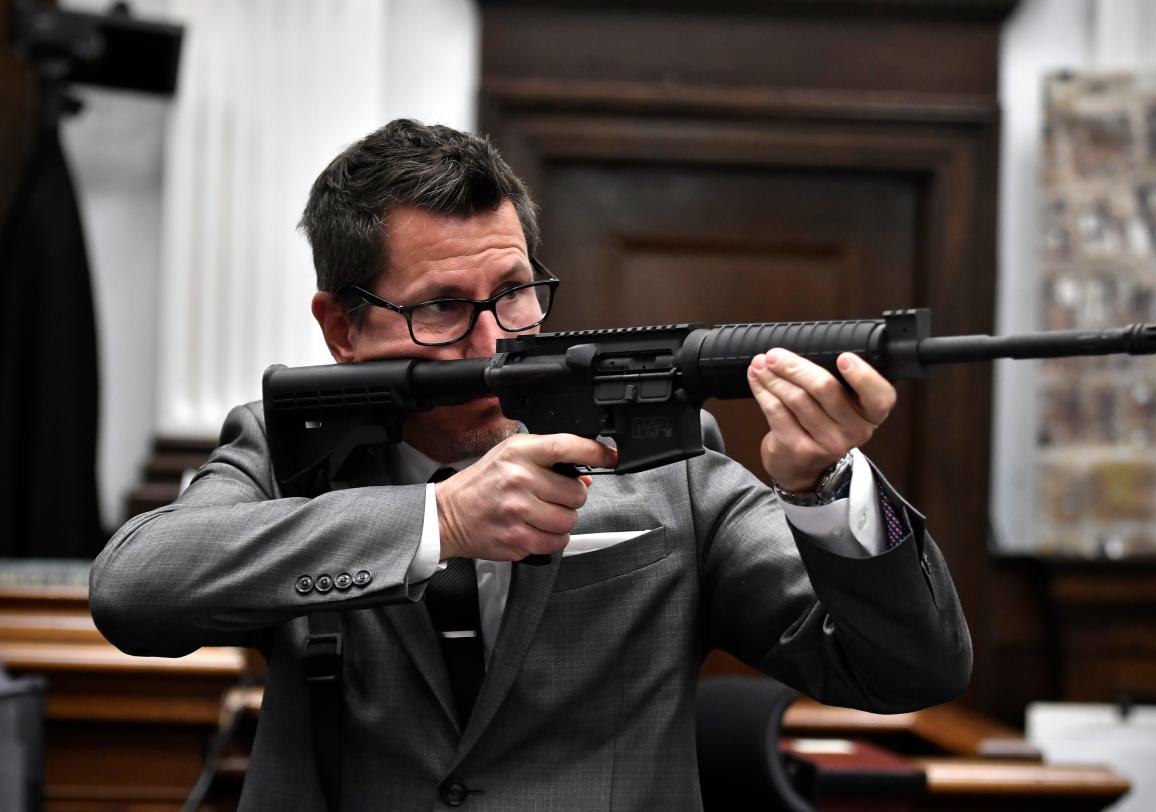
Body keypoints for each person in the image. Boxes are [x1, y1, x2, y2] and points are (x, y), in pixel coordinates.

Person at [90, 119, 971, 810]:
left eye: (513, 292)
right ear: (339, 328)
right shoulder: (285, 449)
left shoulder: (666, 459)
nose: (493, 340)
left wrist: (822, 487)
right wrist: (437, 524)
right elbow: (135, 589)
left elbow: (907, 673)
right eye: (441, 308)